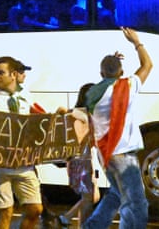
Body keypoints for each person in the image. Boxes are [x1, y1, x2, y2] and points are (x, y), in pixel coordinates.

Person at [82, 27, 152, 229]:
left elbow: (108, 79)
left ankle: (92, 227)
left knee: (116, 194)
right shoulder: (126, 86)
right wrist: (136, 42)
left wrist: (112, 62)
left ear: (101, 73)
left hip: (105, 154)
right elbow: (147, 65)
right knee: (136, 203)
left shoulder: (92, 92)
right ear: (121, 72)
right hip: (123, 155)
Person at [0, 56, 43, 229]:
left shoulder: (25, 96)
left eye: (1, 73)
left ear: (13, 74)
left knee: (35, 209)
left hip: (23, 163)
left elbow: (38, 119)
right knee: (6, 212)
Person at [59, 83, 100, 227]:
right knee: (89, 197)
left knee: (92, 196)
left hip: (82, 160)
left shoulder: (79, 114)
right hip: (80, 161)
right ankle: (67, 219)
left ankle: (68, 219)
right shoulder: (82, 115)